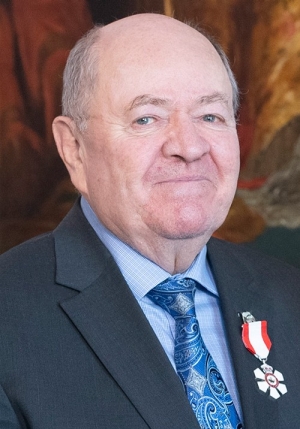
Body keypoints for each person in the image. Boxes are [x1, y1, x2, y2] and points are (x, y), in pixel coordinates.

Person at [0, 13, 299, 429]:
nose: (189, 146)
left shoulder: (289, 295)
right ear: (74, 149)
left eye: (210, 116)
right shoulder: (8, 317)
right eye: (147, 118)